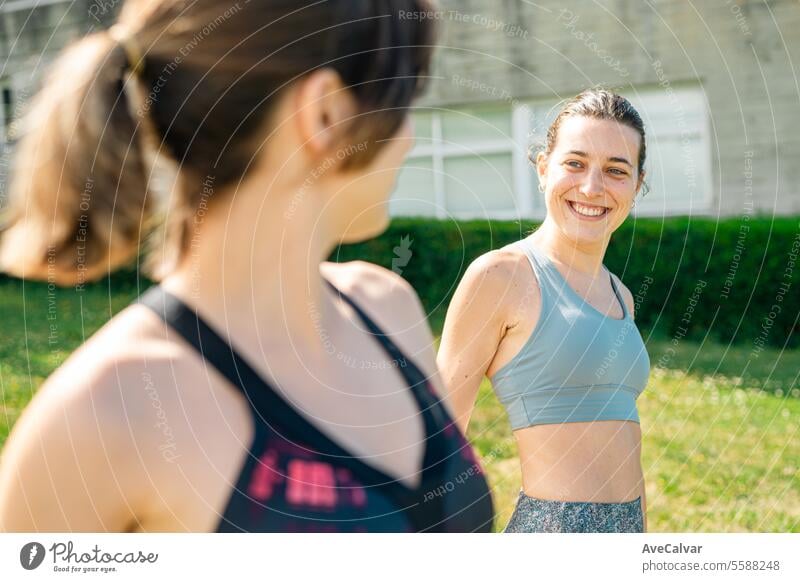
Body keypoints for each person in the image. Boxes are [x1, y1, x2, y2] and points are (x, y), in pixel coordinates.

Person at [0, 0, 494, 533]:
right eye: (404, 104)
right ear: (325, 113)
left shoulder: (389, 308)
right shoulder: (106, 413)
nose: (411, 137)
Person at [437, 89, 651, 533]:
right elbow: (439, 439)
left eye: (616, 170)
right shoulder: (502, 276)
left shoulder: (620, 295)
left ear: (637, 184)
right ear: (542, 169)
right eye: (575, 163)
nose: (592, 187)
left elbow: (629, 451)